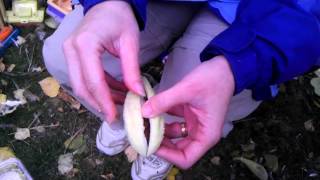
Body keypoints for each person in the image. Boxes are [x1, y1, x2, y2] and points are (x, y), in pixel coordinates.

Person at [43, 0, 320, 179]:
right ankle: (121, 120)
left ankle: (161, 144)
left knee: (189, 99)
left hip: (263, 15)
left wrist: (243, 62)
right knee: (64, 57)